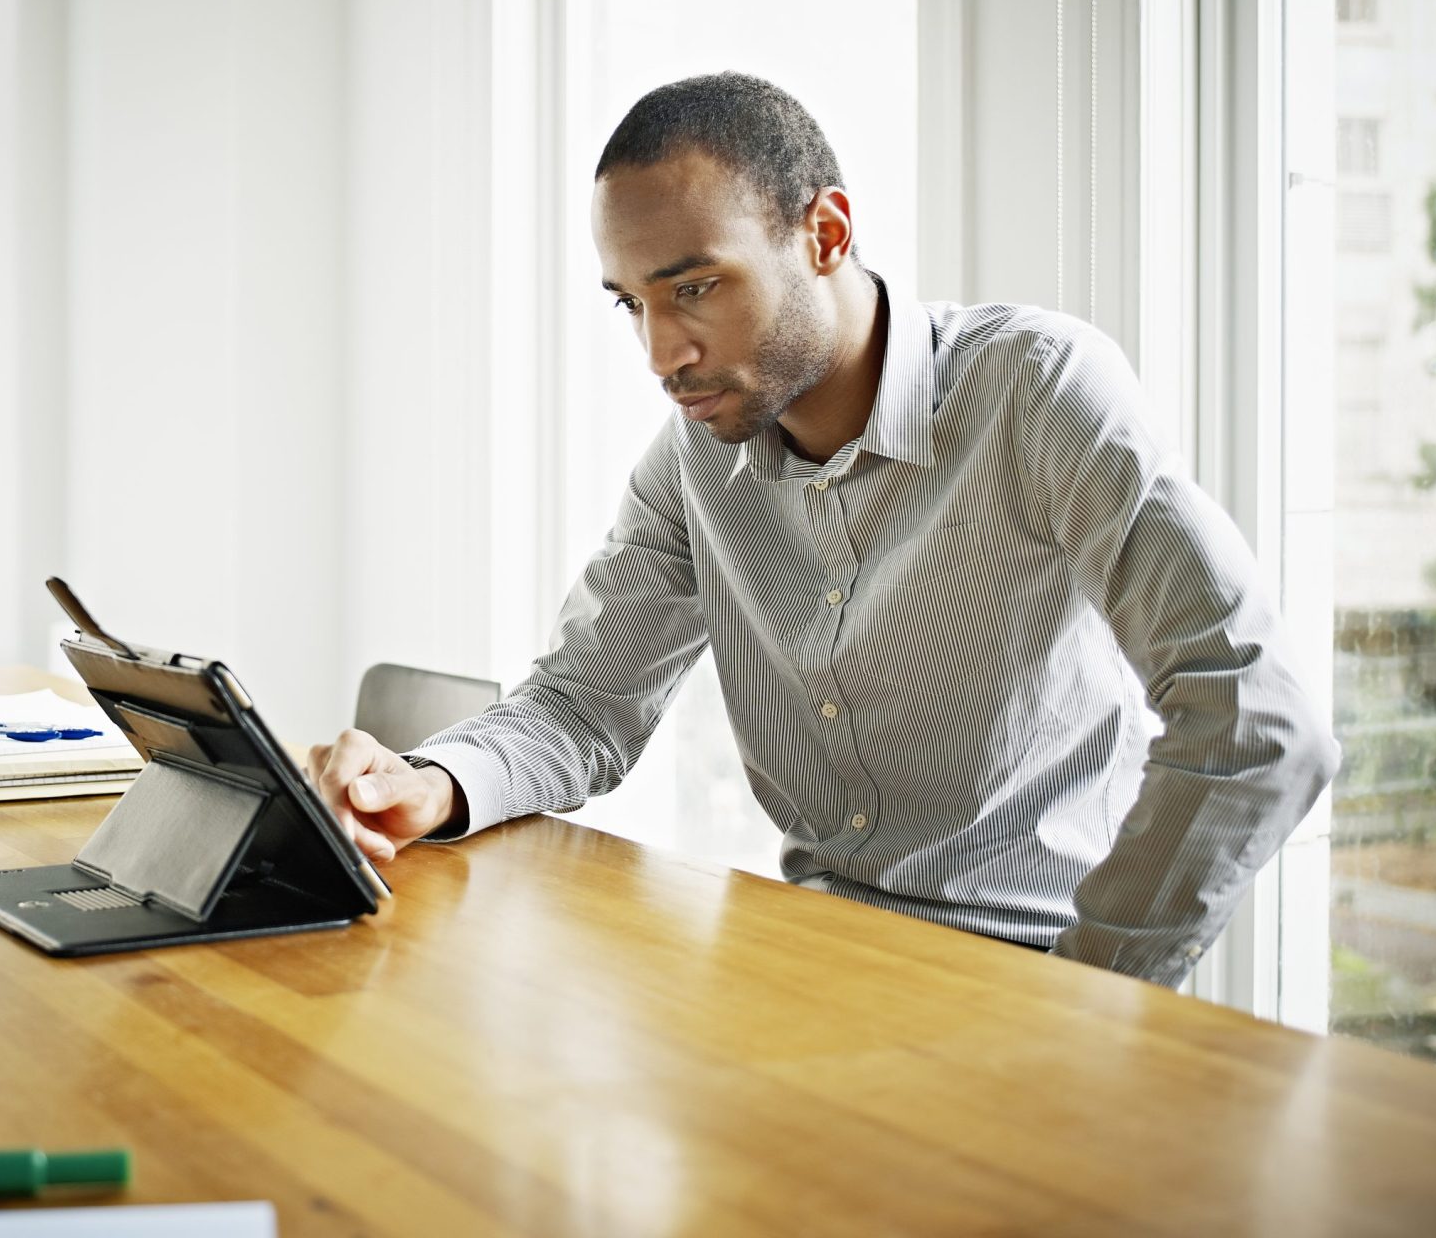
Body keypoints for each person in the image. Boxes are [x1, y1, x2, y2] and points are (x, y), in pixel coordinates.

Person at [308, 71, 1338, 987]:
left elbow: (1252, 718)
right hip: (808, 960)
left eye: (694, 286)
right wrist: (430, 782)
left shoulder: (1037, 391)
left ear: (826, 233)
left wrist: (1098, 997)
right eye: (629, 303)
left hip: (1033, 974)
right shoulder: (692, 458)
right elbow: (582, 706)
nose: (661, 352)